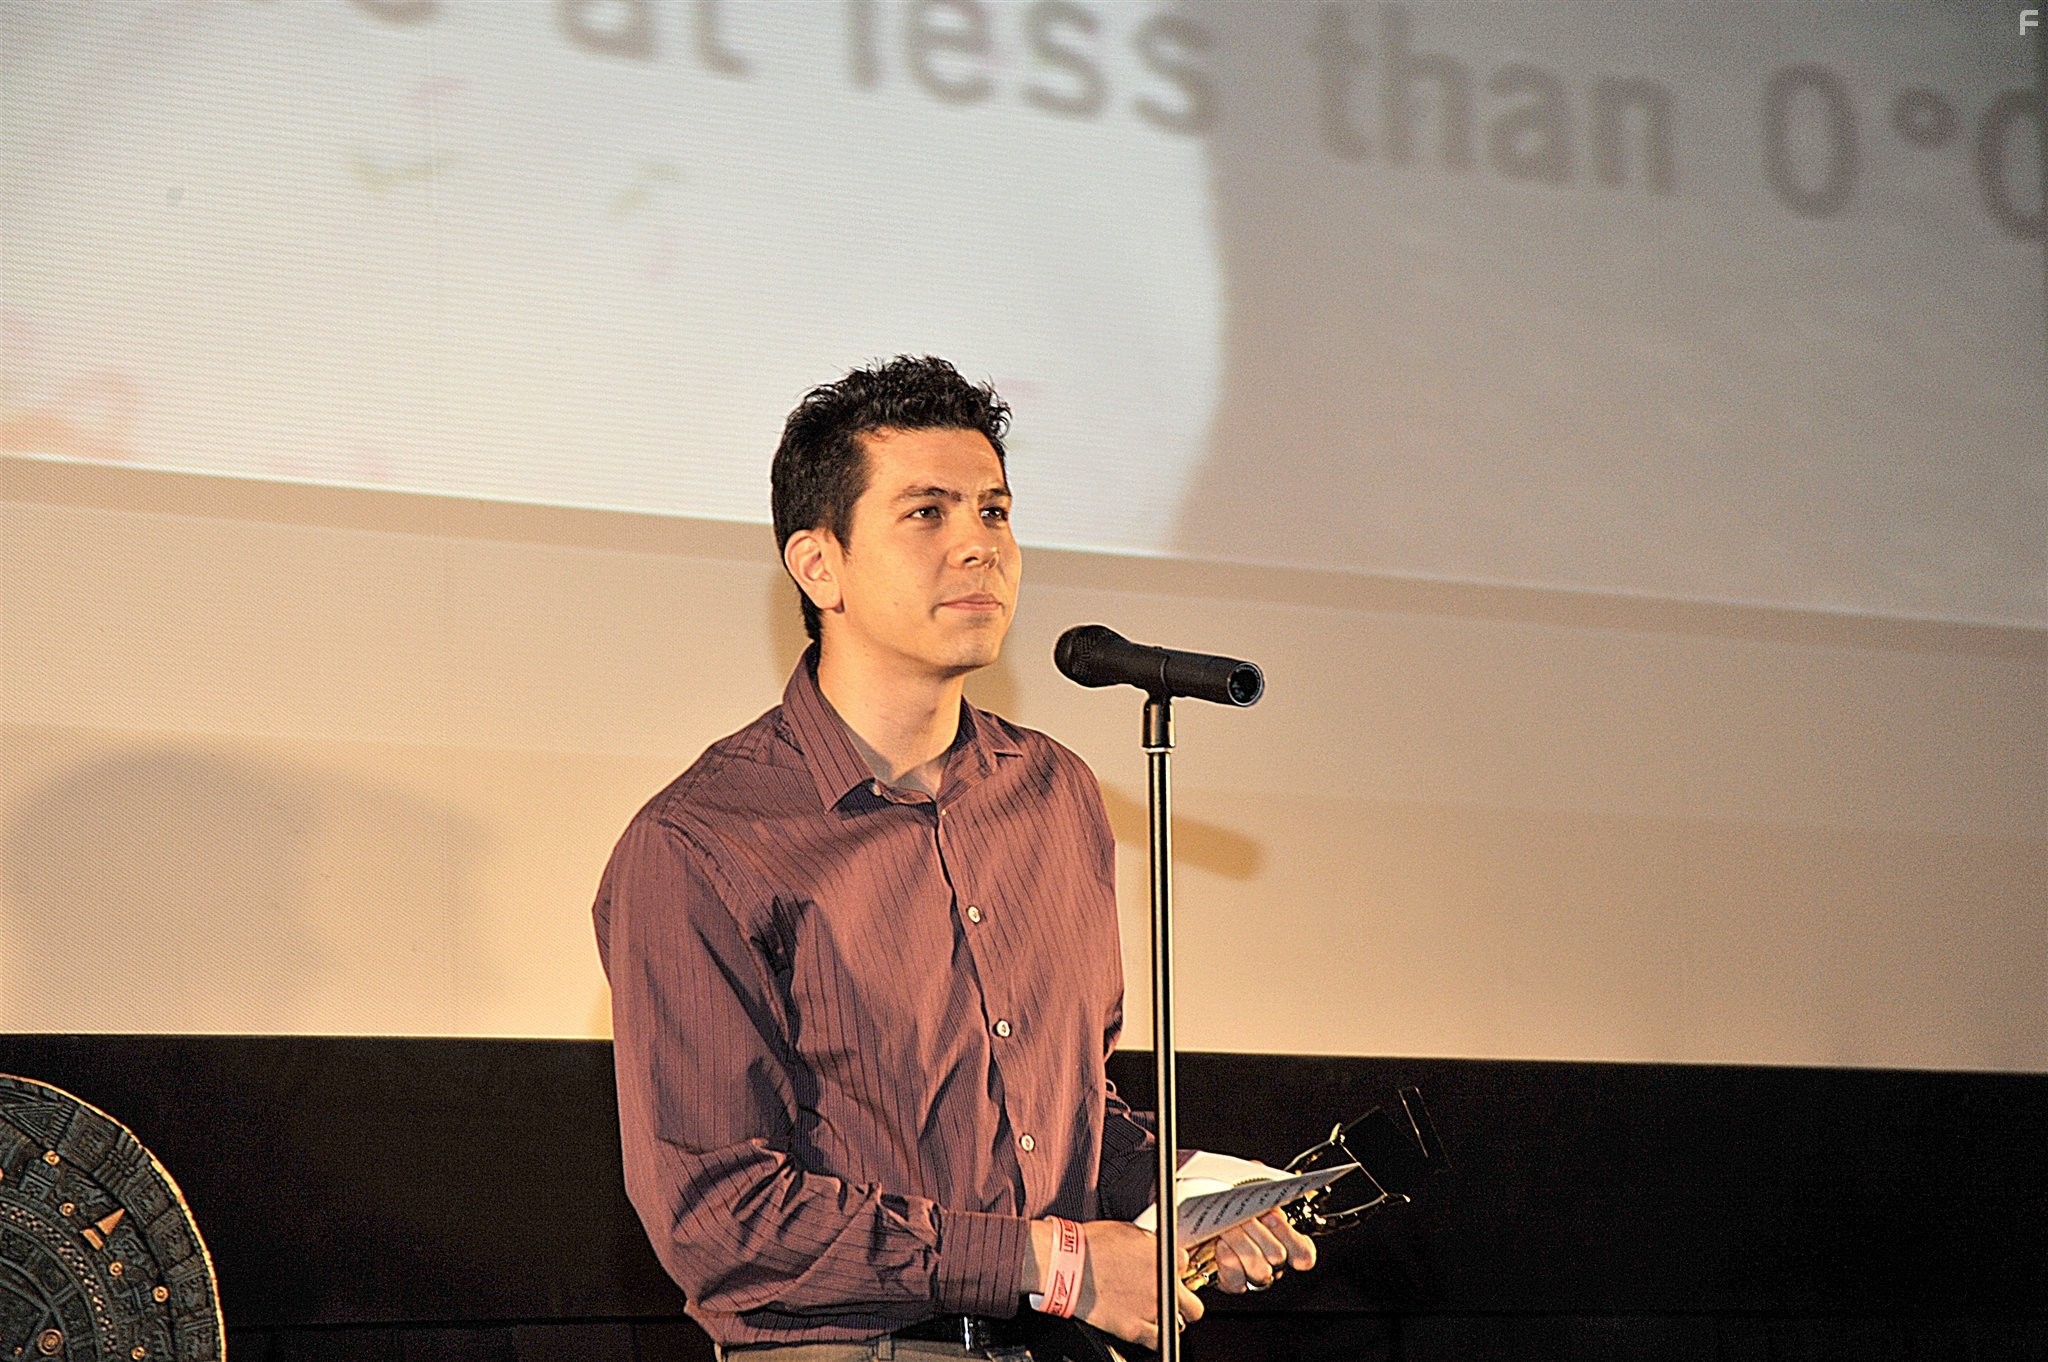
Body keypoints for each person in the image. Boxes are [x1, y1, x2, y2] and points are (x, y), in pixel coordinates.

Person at [594, 356, 1313, 1359]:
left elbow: (1065, 1119)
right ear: (818, 566)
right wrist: (1044, 1261)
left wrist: (1190, 1192)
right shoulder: (702, 843)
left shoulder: (1054, 796)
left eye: (994, 511)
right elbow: (720, 1216)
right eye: (926, 515)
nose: (977, 547)